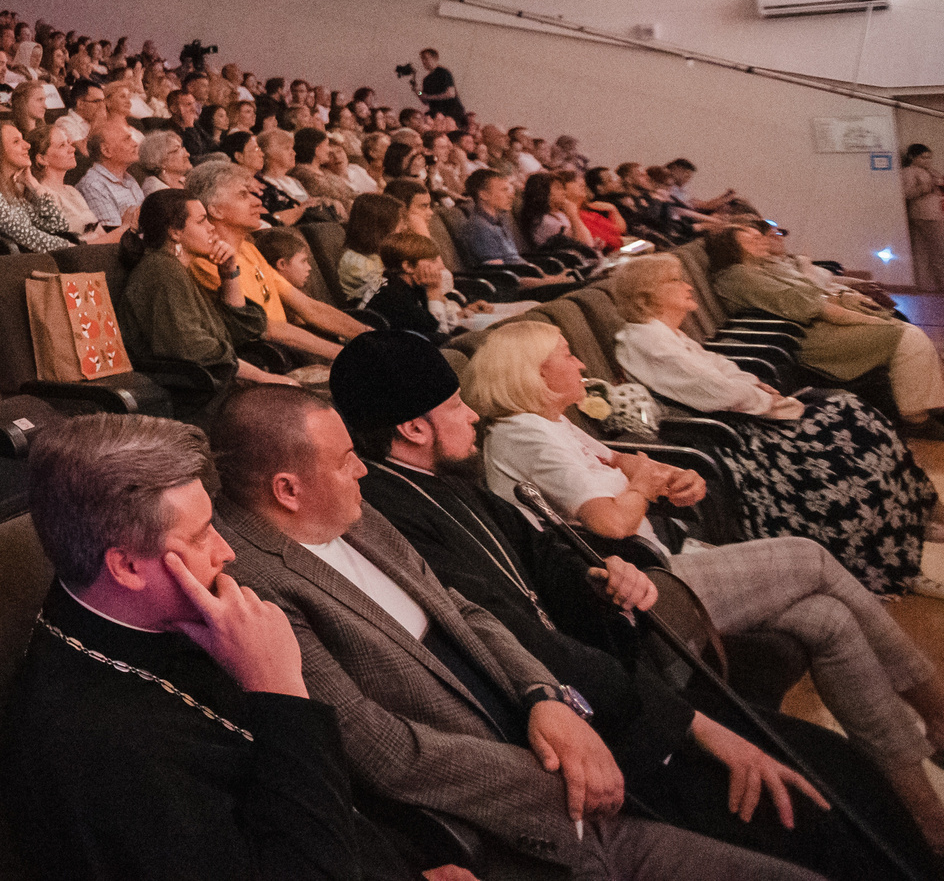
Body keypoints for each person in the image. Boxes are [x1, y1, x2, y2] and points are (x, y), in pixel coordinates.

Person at [331, 335, 893, 877]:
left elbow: (544, 554)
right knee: (824, 805)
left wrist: (602, 576)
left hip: (621, 690)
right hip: (598, 728)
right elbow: (515, 635)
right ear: (412, 427)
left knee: (840, 767)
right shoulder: (392, 512)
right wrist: (692, 725)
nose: (473, 415)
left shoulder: (443, 482)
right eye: (455, 406)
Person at [210, 386, 820, 881]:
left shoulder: (355, 514)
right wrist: (558, 776)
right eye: (345, 462)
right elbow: (380, 748)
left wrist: (544, 698)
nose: (363, 470)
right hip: (518, 823)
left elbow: (465, 610)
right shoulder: (253, 582)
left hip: (563, 737)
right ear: (287, 490)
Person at [467, 318, 944, 850]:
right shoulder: (522, 432)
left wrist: (666, 478)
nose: (580, 361)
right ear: (532, 373)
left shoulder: (552, 421)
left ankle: (917, 801)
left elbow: (621, 463)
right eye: (565, 353)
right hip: (633, 593)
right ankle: (935, 706)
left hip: (659, 566)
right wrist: (645, 486)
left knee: (825, 619)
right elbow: (611, 523)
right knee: (809, 557)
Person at [8, 413, 400, 881]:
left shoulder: (159, 621)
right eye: (199, 536)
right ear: (128, 566)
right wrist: (281, 692)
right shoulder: (98, 747)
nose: (226, 551)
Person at [603, 253, 937, 594]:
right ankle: (891, 557)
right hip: (726, 435)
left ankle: (907, 517)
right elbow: (714, 391)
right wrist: (771, 402)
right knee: (848, 432)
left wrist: (758, 388)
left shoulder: (663, 333)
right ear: (647, 295)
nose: (687, 285)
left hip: (740, 418)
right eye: (675, 280)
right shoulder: (646, 340)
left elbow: (721, 369)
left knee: (851, 411)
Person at [708, 225, 944, 425]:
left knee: (902, 329)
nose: (762, 240)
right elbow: (814, 307)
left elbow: (812, 295)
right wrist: (875, 322)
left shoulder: (757, 269)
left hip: (804, 329)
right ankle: (916, 418)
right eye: (751, 239)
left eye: (759, 236)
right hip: (800, 338)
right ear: (732, 248)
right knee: (905, 337)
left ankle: (932, 405)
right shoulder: (739, 276)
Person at [185, 162, 368, 366]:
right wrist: (346, 355)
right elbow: (268, 329)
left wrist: (370, 337)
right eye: (243, 195)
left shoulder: (248, 249)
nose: (258, 202)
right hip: (269, 360)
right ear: (216, 211)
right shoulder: (208, 263)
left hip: (288, 350)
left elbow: (309, 308)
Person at [118, 189, 294, 399]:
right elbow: (194, 349)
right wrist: (264, 378)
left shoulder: (177, 269)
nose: (211, 228)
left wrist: (229, 273)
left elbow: (239, 332)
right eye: (201, 221)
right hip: (192, 395)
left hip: (211, 387)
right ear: (175, 232)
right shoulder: (161, 271)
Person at [0, 117, 79, 253]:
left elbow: (58, 226)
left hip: (20, 259)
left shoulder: (11, 189)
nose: (27, 146)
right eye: (16, 142)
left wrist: (34, 185)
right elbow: (22, 233)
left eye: (23, 139)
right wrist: (68, 247)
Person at [451, 172, 579, 294]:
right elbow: (503, 279)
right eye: (504, 190)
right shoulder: (479, 229)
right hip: (516, 291)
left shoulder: (500, 220)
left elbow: (514, 261)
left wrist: (549, 277)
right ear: (484, 195)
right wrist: (550, 281)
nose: (511, 195)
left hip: (532, 280)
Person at [31, 124, 113, 242]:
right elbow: (68, 245)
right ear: (42, 159)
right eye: (62, 145)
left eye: (69, 143)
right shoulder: (43, 194)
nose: (72, 149)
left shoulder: (71, 190)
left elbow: (100, 233)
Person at [336, 194, 404, 307]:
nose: (401, 231)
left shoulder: (376, 257)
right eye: (397, 226)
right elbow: (387, 293)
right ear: (380, 228)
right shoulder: (354, 262)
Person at [904, 144, 944, 294]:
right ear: (912, 157)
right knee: (939, 251)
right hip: (925, 215)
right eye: (923, 157)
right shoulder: (909, 172)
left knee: (925, 251)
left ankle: (927, 286)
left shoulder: (930, 171)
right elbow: (907, 193)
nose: (927, 161)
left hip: (934, 212)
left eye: (929, 157)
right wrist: (926, 188)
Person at [414, 50, 465, 124]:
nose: (423, 61)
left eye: (426, 58)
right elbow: (425, 100)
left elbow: (450, 94)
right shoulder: (426, 79)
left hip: (451, 113)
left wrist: (428, 97)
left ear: (435, 58)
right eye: (422, 59)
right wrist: (418, 92)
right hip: (437, 115)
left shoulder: (443, 72)